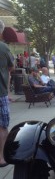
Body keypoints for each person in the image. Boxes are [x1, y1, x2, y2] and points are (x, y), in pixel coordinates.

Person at [0, 20, 14, 167]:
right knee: (2, 126)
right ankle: (2, 158)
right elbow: (11, 67)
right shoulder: (4, 48)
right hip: (0, 93)